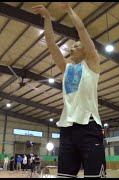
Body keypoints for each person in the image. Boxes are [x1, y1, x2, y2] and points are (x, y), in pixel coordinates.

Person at [31, 2, 106, 178]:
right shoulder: (66, 68)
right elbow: (50, 43)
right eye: (71, 46)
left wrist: (69, 10)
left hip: (89, 127)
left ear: (85, 51)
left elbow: (82, 30)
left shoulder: (92, 64)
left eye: (76, 46)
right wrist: (48, 18)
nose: (72, 47)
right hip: (67, 129)